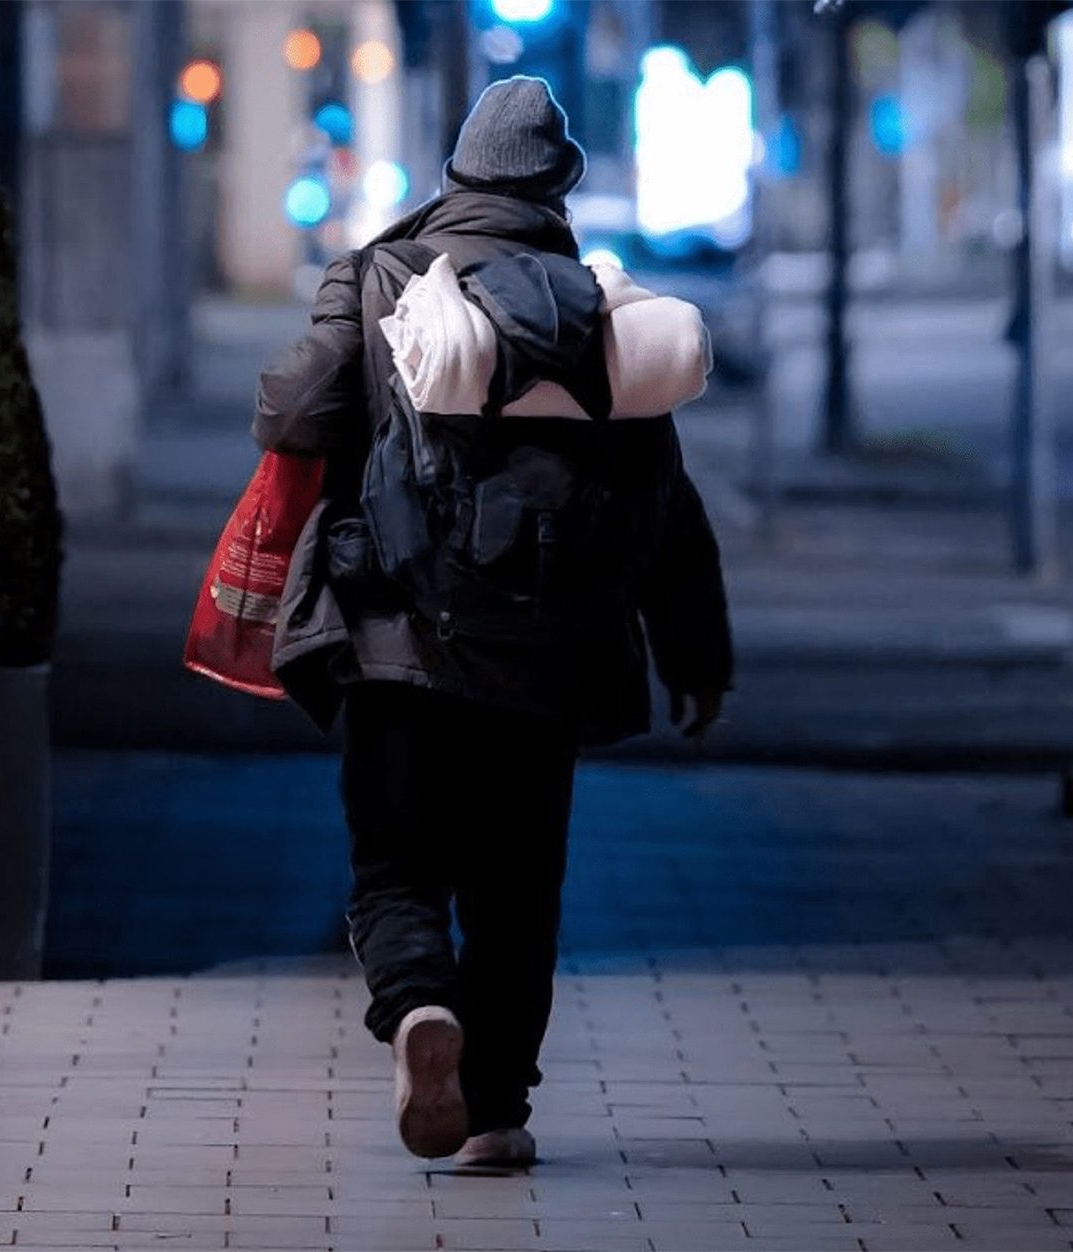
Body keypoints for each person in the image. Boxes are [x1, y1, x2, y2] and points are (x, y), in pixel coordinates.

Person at [252, 76, 735, 1168]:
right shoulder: (602, 314)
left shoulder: (383, 277)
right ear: (560, 185)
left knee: (396, 858)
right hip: (549, 653)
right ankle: (496, 1111)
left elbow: (290, 410)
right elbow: (665, 500)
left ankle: (420, 1003)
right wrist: (696, 654)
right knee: (520, 885)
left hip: (397, 637)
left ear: (454, 177)